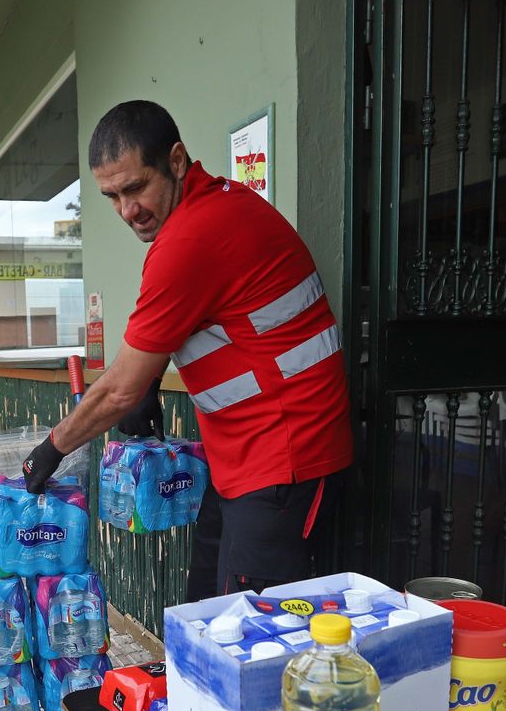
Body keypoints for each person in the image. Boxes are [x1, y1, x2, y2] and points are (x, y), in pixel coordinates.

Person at [23, 100, 354, 600]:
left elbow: (118, 390)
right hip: (245, 459)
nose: (127, 210)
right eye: (112, 196)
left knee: (248, 631)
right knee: (204, 609)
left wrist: (51, 449)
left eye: (136, 188)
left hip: (285, 459)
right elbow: (196, 319)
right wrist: (151, 382)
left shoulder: (190, 237)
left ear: (176, 161)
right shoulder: (217, 206)